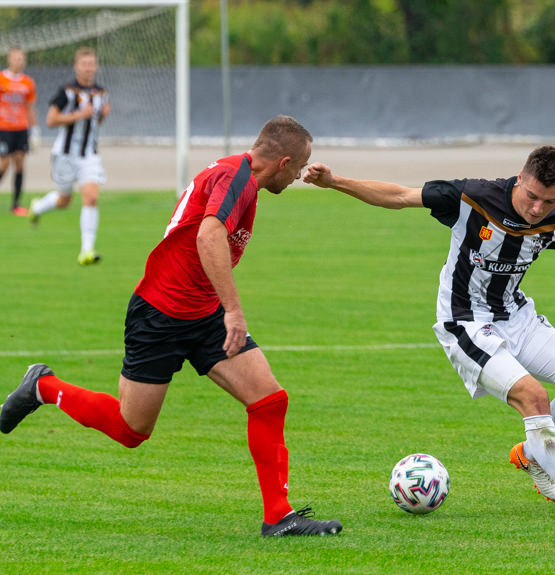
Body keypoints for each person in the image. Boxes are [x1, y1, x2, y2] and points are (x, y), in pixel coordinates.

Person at [1, 115, 343, 537]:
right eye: (298, 167)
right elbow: (208, 235)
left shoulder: (239, 177)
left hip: (202, 314)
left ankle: (279, 516)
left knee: (269, 400)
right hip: (160, 314)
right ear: (283, 161)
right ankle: (44, 387)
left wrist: (221, 309)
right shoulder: (235, 177)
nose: (296, 177)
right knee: (131, 429)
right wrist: (234, 310)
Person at [304, 146, 555, 518]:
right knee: (533, 397)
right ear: (520, 178)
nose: (537, 208)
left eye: (549, 201)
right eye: (532, 196)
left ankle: (533, 454)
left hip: (517, 316)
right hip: (465, 322)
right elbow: (399, 196)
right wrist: (334, 181)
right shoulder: (472, 197)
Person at [29, 47, 110, 266]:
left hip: (89, 155)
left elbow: (95, 123)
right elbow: (51, 120)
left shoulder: (101, 93)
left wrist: (101, 115)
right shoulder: (66, 91)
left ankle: (87, 250)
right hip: (64, 154)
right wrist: (78, 115)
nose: (88, 68)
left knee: (91, 197)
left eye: (91, 63)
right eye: (84, 64)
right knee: (64, 200)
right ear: (76, 67)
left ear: (96, 66)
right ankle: (37, 208)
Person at [0, 47, 37, 216]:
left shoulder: (28, 82)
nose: (19, 61)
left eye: (21, 59)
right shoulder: (1, 79)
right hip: (3, 127)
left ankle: (16, 205)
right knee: (4, 163)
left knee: (20, 163)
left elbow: (30, 107)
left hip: (21, 128)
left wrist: (34, 130)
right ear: (9, 60)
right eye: (16, 58)